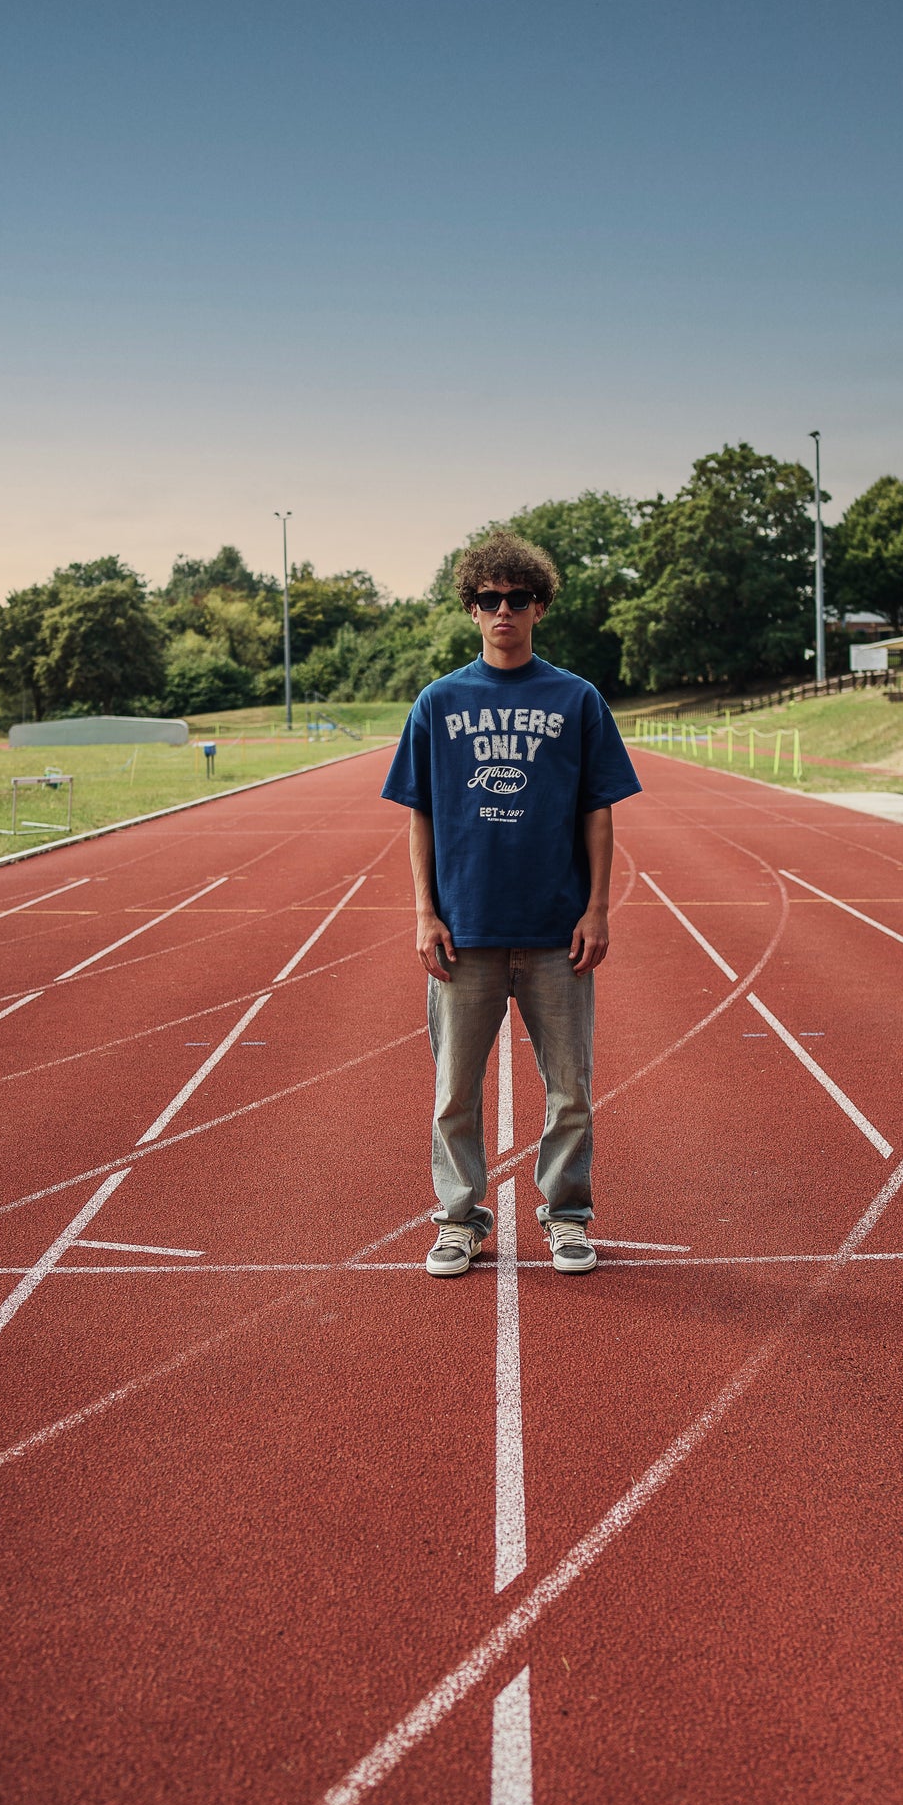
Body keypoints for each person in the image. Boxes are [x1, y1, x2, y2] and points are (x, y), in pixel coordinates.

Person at [381, 529, 642, 1278]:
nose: (503, 610)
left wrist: (597, 908)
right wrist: (424, 912)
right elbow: (419, 812)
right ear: (470, 609)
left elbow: (599, 810)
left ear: (538, 606)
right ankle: (459, 1219)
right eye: (488, 599)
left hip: (556, 932)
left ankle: (565, 1216)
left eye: (516, 598)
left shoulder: (575, 698)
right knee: (453, 1095)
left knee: (570, 1092)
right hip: (465, 931)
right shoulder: (439, 701)